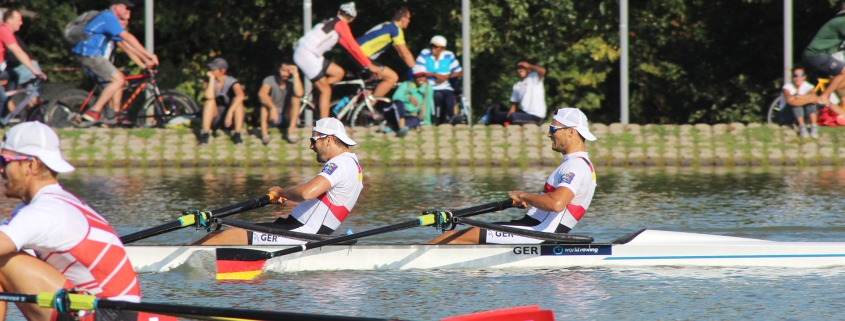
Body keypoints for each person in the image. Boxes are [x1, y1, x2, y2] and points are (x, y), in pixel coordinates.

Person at [0, 122, 176, 321]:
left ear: (30, 165)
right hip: (103, 308)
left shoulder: (46, 210)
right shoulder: (45, 204)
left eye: (4, 161)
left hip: (109, 313)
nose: (1, 169)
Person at [427, 108, 597, 244]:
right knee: (461, 236)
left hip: (539, 233)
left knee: (452, 238)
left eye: (553, 129)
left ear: (571, 132)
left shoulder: (575, 166)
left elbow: (557, 204)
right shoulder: (578, 164)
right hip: (534, 227)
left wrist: (523, 196)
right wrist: (530, 200)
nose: (549, 134)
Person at [195, 118, 364, 245]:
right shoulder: (352, 165)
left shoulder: (340, 163)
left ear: (329, 139)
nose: (311, 146)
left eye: (313, 140)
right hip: (294, 228)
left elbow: (306, 193)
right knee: (221, 235)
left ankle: (181, 257)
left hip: (301, 233)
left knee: (230, 235)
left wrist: (282, 192)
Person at [293, 2, 383, 120]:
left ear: (339, 12)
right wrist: (369, 65)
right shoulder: (341, 25)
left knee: (338, 73)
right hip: (307, 55)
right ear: (352, 19)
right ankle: (323, 127)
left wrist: (363, 63)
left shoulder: (332, 22)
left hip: (309, 53)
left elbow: (347, 46)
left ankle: (317, 96)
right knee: (326, 90)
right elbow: (353, 47)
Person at [72, 0, 158, 122]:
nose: (128, 12)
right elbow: (128, 38)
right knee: (118, 80)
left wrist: (146, 61)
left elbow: (129, 46)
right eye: (126, 8)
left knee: (118, 81)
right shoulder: (108, 18)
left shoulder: (109, 19)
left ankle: (111, 115)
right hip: (89, 54)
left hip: (91, 55)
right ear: (117, 7)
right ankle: (95, 112)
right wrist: (150, 55)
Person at [354, 6, 416, 98]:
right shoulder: (395, 30)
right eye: (409, 18)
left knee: (371, 85)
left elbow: (400, 52)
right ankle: (368, 108)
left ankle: (356, 106)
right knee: (392, 77)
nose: (409, 21)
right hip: (360, 57)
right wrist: (417, 70)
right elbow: (404, 54)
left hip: (354, 55)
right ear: (403, 19)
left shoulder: (387, 26)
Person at [802, 3, 845, 115]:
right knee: (843, 71)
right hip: (816, 55)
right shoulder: (842, 22)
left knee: (831, 83)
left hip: (819, 56)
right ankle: (824, 97)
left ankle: (824, 113)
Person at [0, 9, 46, 111]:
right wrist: (34, 71)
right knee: (1, 98)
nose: (21, 23)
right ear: (10, 20)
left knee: (14, 75)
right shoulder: (3, 31)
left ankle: (7, 99)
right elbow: (18, 52)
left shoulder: (5, 31)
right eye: (19, 20)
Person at [484, 59, 547, 126]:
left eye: (523, 68)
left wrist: (529, 66)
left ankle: (511, 120)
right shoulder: (517, 85)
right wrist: (509, 115)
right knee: (498, 115)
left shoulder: (534, 77)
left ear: (528, 69)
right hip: (523, 113)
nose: (520, 70)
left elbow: (543, 71)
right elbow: (514, 104)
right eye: (518, 68)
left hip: (535, 115)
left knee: (513, 117)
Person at [415, 36, 462, 124]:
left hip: (445, 86)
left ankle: (453, 117)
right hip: (429, 86)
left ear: (442, 48)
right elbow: (417, 70)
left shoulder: (449, 55)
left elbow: (459, 72)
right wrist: (434, 75)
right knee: (438, 96)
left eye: (436, 47)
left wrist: (446, 77)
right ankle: (437, 119)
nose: (433, 49)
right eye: (432, 46)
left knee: (449, 96)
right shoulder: (425, 54)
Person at [198, 58, 246, 145]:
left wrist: (230, 112)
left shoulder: (232, 82)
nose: (211, 71)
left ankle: (237, 134)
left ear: (222, 71)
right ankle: (205, 134)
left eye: (214, 69)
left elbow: (241, 95)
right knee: (210, 101)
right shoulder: (208, 81)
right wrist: (212, 79)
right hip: (214, 117)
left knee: (238, 101)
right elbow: (208, 96)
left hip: (229, 119)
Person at [258, 60, 303, 145]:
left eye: (288, 71)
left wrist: (296, 74)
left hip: (287, 115)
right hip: (273, 116)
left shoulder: (293, 81)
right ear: (278, 69)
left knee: (296, 99)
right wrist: (272, 108)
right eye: (283, 70)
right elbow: (262, 94)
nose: (286, 74)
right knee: (264, 103)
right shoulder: (269, 80)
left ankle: (290, 132)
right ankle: (264, 133)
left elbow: (299, 94)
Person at [383, 66, 433, 137]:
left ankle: (394, 128)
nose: (421, 78)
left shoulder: (428, 88)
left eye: (423, 76)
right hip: (393, 112)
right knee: (399, 103)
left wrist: (427, 123)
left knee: (416, 121)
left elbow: (427, 105)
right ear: (414, 77)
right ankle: (401, 128)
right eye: (418, 76)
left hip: (409, 115)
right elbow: (395, 97)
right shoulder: (406, 84)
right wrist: (408, 97)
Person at [782, 66, 820, 138]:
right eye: (795, 76)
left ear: (804, 77)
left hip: (802, 112)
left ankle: (814, 126)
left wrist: (798, 97)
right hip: (787, 114)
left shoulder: (808, 86)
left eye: (800, 75)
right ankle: (802, 127)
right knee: (797, 104)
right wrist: (808, 98)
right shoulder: (787, 87)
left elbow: (815, 99)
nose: (797, 78)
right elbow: (790, 101)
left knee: (810, 104)